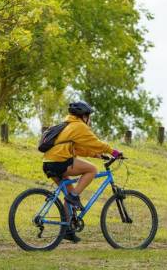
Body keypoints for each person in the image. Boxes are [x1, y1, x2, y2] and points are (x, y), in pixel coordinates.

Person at [42, 101, 122, 243]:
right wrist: (113, 151)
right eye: (89, 116)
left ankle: (68, 230)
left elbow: (78, 149)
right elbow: (96, 143)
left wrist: (97, 155)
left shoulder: (68, 126)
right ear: (84, 116)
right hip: (60, 162)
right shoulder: (79, 126)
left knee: (69, 193)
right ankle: (73, 197)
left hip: (49, 163)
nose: (89, 120)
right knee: (92, 170)